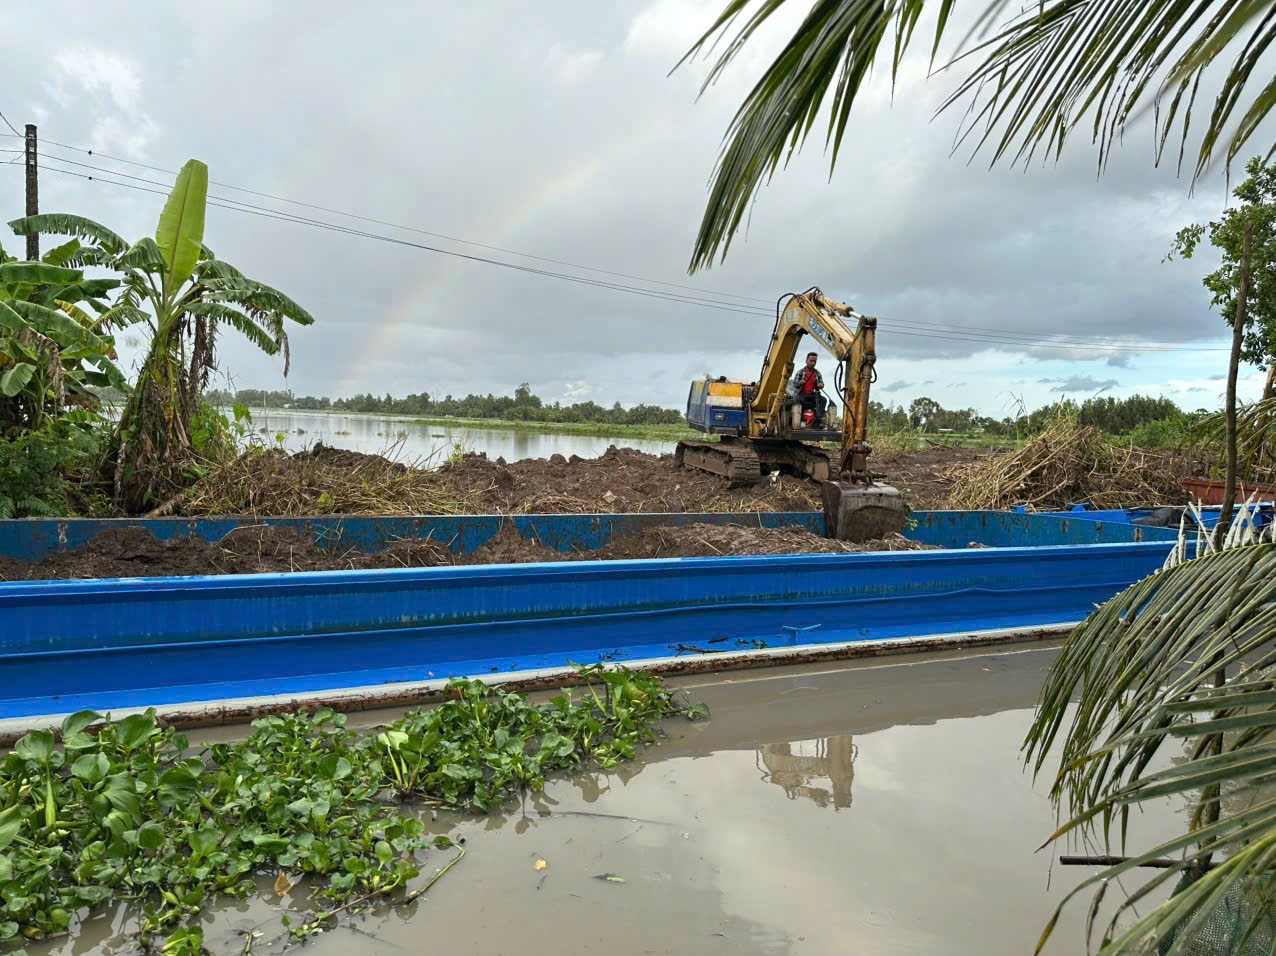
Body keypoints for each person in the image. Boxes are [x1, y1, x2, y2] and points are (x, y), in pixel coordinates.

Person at [792, 352, 826, 427]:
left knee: (823, 400)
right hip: (802, 394)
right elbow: (795, 384)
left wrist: (821, 385)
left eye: (814, 361)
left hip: (813, 395)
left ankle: (817, 420)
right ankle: (800, 420)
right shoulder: (800, 372)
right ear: (806, 361)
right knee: (797, 400)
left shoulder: (817, 373)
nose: (813, 363)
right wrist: (800, 383)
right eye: (811, 361)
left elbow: (821, 383)